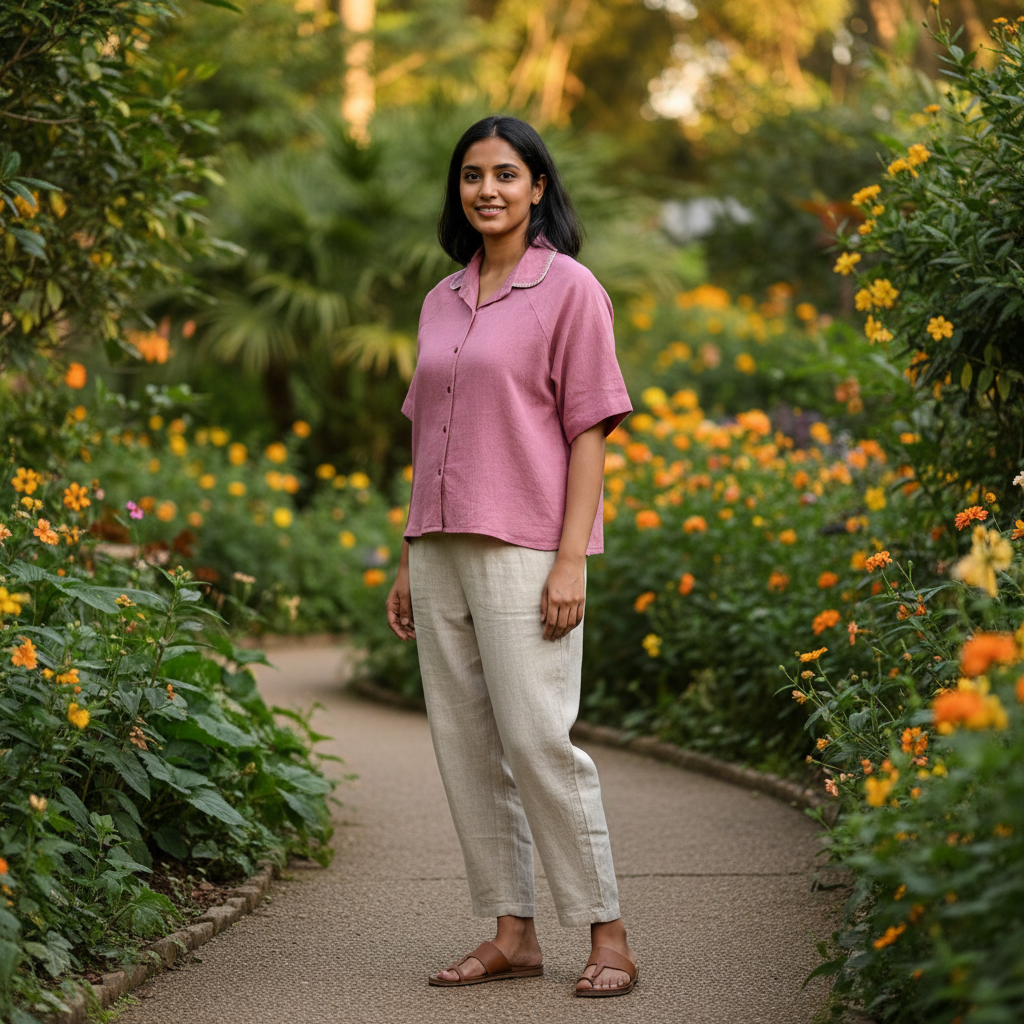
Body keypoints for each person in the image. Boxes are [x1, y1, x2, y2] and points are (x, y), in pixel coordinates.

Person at [385, 115, 637, 998]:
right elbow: (429, 438)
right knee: (465, 746)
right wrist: (404, 551)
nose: (486, 189)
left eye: (504, 174)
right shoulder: (441, 298)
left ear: (537, 187)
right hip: (438, 547)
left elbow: (591, 432)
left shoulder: (569, 289)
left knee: (538, 742)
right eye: (470, 176)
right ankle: (512, 933)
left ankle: (606, 933)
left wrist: (572, 560)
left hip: (526, 547)